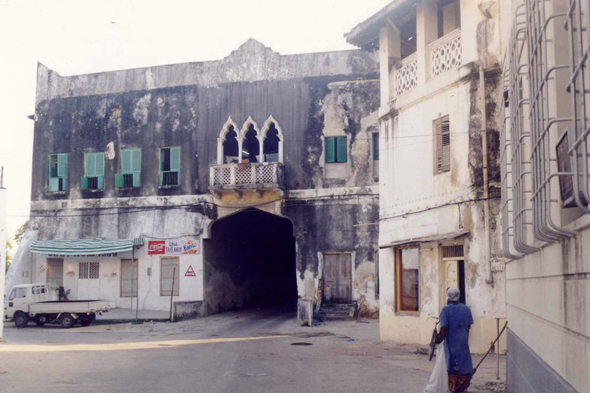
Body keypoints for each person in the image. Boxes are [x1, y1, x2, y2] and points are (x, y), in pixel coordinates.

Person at [434, 286, 474, 392]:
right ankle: (461, 387)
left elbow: (443, 329)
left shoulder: (445, 310)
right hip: (463, 344)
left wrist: (436, 341)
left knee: (451, 368)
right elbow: (469, 326)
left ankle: (453, 388)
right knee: (464, 368)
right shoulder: (466, 309)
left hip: (451, 345)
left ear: (448, 297)